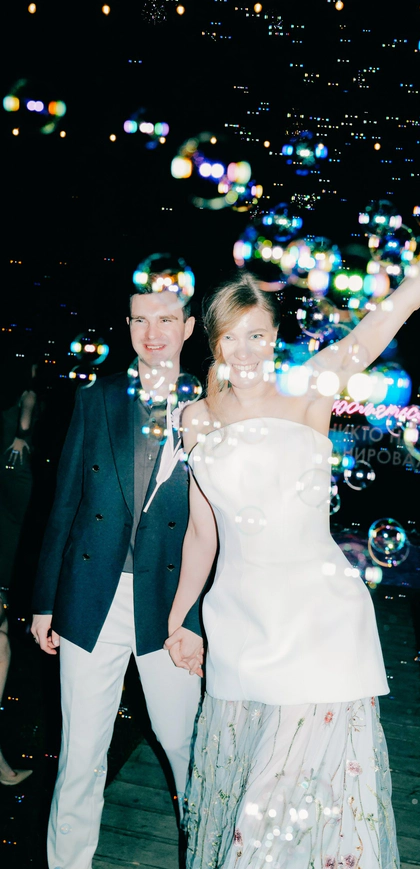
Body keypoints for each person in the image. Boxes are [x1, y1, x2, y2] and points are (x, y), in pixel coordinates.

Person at [165, 162, 420, 869]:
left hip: (318, 625)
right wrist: (181, 618)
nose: (245, 350)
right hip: (239, 628)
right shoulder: (194, 419)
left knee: (274, 819)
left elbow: (403, 300)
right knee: (250, 800)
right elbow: (204, 532)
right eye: (231, 336)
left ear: (276, 336)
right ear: (213, 340)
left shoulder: (311, 388)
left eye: (258, 335)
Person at [31, 288, 205, 869]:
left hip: (172, 604)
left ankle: (203, 855)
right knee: (80, 753)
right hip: (90, 596)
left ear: (188, 327)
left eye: (166, 319)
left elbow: (222, 530)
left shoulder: (213, 406)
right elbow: (65, 504)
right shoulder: (95, 398)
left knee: (184, 745)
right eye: (139, 319)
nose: (152, 332)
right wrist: (45, 601)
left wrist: (197, 618)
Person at [0, 357, 38, 786]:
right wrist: (21, 438)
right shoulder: (25, 394)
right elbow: (25, 421)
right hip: (12, 474)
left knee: (3, 640)